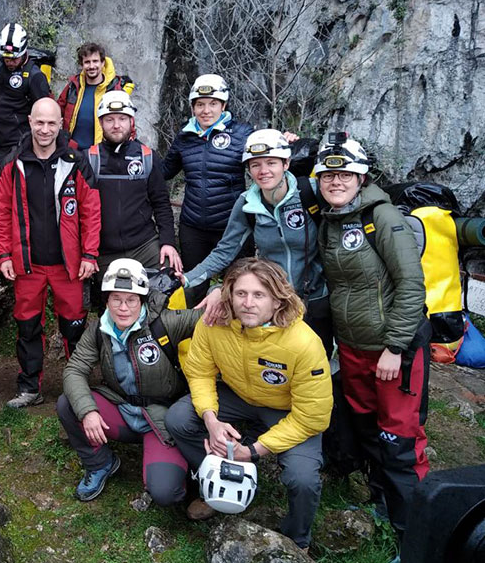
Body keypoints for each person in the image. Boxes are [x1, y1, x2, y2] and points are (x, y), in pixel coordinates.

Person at [314, 134, 429, 563]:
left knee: (399, 440)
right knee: (367, 431)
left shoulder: (383, 218)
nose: (335, 181)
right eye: (328, 175)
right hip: (355, 347)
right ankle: (382, 507)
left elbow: (411, 285)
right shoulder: (331, 220)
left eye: (344, 174)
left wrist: (395, 347)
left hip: (391, 350)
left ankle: (414, 538)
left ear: (361, 177)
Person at [166, 258, 332, 549]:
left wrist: (254, 451)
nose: (248, 303)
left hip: (288, 410)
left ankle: (297, 541)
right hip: (239, 396)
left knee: (302, 478)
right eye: (241, 294)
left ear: (278, 301)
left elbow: (313, 417)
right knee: (179, 418)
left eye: (259, 295)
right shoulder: (214, 322)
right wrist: (211, 420)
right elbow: (200, 371)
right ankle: (217, 482)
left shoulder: (304, 343)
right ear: (229, 294)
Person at [57, 259, 199, 503]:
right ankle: (100, 463)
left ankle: (183, 469)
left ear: (142, 300)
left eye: (131, 300)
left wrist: (220, 294)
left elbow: (209, 319)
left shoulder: (164, 323)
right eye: (116, 299)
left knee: (166, 493)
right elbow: (74, 369)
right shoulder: (98, 330)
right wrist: (88, 411)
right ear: (107, 301)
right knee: (68, 404)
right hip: (121, 410)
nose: (123, 308)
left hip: (161, 418)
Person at [180, 129, 332, 355]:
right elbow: (224, 251)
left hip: (317, 297)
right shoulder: (247, 204)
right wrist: (185, 279)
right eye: (255, 165)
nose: (263, 171)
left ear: (286, 163)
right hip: (275, 301)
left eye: (271, 163)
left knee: (318, 363)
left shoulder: (310, 192)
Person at [0, 97, 101, 408]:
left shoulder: (75, 160)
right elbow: (1, 211)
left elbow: (91, 211)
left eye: (51, 123)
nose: (45, 129)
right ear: (30, 122)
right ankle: (29, 387)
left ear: (60, 125)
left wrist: (90, 255)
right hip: (27, 264)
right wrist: (4, 255)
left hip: (68, 265)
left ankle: (77, 388)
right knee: (27, 326)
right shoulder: (13, 162)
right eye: (39, 122)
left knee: (74, 327)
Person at [161, 74, 254, 306]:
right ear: (192, 107)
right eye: (200, 104)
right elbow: (163, 172)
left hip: (232, 226)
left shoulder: (243, 134)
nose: (206, 110)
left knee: (237, 285)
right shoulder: (185, 137)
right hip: (193, 227)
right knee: (193, 284)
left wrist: (290, 143)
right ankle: (194, 336)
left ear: (223, 105)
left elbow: (268, 165)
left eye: (213, 103)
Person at [87, 90, 180, 277]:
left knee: (170, 277)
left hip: (143, 246)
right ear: (100, 123)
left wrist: (168, 242)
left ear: (131, 121)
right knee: (117, 302)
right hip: (104, 251)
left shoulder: (147, 157)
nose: (116, 125)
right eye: (109, 120)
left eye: (122, 118)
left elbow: (161, 203)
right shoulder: (89, 158)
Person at [0, 22, 53, 162]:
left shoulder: (35, 76)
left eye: (14, 59)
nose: (9, 62)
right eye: (6, 58)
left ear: (23, 52)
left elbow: (45, 111)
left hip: (17, 143)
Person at [57, 42, 134, 150]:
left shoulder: (114, 88)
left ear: (103, 63)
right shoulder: (73, 86)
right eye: (87, 62)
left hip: (102, 153)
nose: (92, 66)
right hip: (73, 152)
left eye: (95, 61)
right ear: (82, 65)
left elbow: (128, 122)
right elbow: (57, 110)